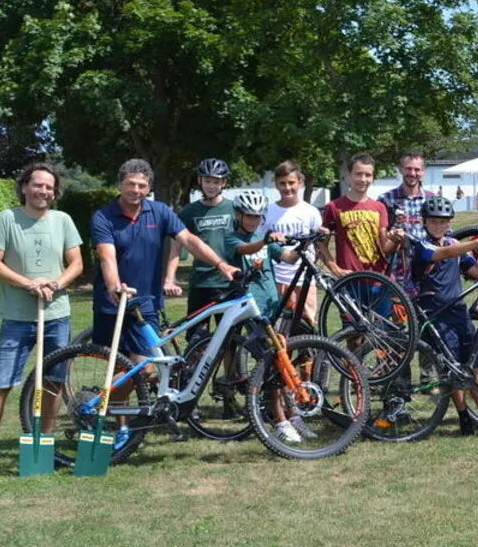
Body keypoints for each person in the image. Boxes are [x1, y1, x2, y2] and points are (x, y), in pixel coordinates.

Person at [92, 159, 239, 447]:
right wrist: (114, 286)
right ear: (120, 184)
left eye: (142, 185)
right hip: (113, 304)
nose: (136, 190)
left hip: (145, 305)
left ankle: (116, 413)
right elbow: (106, 256)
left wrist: (222, 265)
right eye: (131, 184)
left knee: (145, 369)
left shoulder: (159, 212)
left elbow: (190, 241)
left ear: (149, 188)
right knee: (122, 368)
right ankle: (121, 428)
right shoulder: (104, 216)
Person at [0, 163, 84, 476]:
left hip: (56, 315)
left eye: (49, 187)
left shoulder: (63, 220)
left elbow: (76, 262)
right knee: (3, 382)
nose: (43, 191)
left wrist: (57, 283)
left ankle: (45, 443)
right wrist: (28, 283)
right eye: (37, 185)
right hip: (17, 317)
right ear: (25, 187)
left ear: (55, 192)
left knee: (52, 382)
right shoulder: (7, 219)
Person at [410, 195, 478, 435]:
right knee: (452, 368)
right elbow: (445, 253)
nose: (438, 226)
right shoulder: (422, 245)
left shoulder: (455, 244)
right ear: (424, 222)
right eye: (434, 221)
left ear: (449, 222)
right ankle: (464, 417)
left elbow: (477, 271)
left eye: (443, 222)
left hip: (458, 312)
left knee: (473, 365)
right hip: (434, 315)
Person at [223, 191, 313, 443]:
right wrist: (264, 240)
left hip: (273, 306)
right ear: (239, 216)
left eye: (257, 217)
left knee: (284, 362)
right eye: (248, 216)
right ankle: (280, 419)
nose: (252, 221)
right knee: (272, 363)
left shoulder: (265, 239)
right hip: (251, 311)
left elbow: (286, 256)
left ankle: (293, 415)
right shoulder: (233, 238)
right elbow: (244, 248)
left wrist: (304, 245)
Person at [165, 158, 234, 319]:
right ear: (200, 180)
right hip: (201, 282)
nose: (211, 185)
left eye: (216, 182)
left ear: (223, 183)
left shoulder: (234, 208)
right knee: (197, 337)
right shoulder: (189, 212)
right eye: (207, 181)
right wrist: (170, 279)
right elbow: (176, 249)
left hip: (228, 282)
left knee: (229, 339)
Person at [320, 153, 405, 276]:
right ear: (349, 176)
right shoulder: (333, 207)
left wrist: (395, 239)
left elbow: (385, 247)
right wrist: (336, 269)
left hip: (378, 280)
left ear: (373, 178)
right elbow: (320, 243)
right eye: (358, 174)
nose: (363, 179)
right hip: (349, 280)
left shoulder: (379, 207)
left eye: (368, 175)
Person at [264, 160, 324, 325]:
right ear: (276, 184)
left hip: (304, 280)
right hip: (277, 279)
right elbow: (261, 244)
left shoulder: (310, 212)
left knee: (307, 326)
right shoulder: (268, 211)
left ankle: (307, 352)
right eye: (282, 183)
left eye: (291, 183)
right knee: (278, 332)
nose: (287, 187)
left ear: (300, 182)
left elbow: (319, 245)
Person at [378, 152, 434, 294]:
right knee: (400, 314)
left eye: (417, 169)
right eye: (408, 168)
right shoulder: (385, 199)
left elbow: (446, 234)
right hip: (398, 272)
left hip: (428, 270)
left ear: (423, 172)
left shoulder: (432, 199)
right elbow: (380, 240)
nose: (412, 173)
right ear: (401, 169)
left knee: (429, 314)